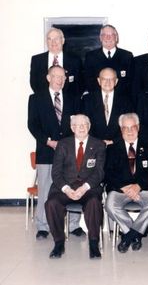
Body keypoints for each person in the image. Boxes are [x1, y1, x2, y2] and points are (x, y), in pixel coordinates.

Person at [28, 65, 83, 240]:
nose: (59, 80)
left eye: (62, 77)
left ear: (65, 80)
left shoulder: (74, 98)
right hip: (46, 151)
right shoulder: (36, 98)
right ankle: (43, 227)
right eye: (55, 76)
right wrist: (48, 141)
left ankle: (74, 225)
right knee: (45, 189)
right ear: (48, 77)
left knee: (74, 185)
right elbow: (32, 125)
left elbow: (78, 124)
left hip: (69, 153)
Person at [45, 114, 106, 259]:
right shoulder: (63, 144)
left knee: (94, 203)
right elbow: (56, 173)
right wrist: (67, 189)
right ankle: (59, 243)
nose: (81, 128)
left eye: (84, 125)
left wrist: (84, 187)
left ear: (89, 126)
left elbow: (99, 172)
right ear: (72, 128)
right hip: (66, 187)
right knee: (51, 204)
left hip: (88, 188)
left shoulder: (99, 145)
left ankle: (93, 244)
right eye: (78, 125)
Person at [105, 113, 148, 253]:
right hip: (120, 189)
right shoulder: (112, 148)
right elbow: (108, 173)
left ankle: (129, 236)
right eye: (125, 128)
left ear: (138, 127)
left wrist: (138, 186)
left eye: (133, 127)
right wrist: (124, 187)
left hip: (143, 188)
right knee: (110, 205)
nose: (129, 131)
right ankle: (135, 235)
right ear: (121, 129)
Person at [81, 67, 133, 146]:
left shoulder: (126, 100)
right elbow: (84, 124)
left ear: (116, 81)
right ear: (99, 80)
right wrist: (98, 142)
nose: (108, 82)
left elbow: (128, 125)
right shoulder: (87, 99)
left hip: (117, 145)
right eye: (104, 79)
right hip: (93, 145)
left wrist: (113, 141)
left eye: (111, 79)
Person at [30, 27, 83, 97]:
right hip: (44, 103)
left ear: (63, 40)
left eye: (56, 38)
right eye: (50, 39)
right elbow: (34, 83)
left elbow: (80, 84)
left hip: (69, 104)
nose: (53, 42)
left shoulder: (75, 60)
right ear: (46, 41)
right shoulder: (37, 60)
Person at [84, 25, 134, 94]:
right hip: (98, 99)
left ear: (116, 38)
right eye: (105, 35)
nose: (108, 37)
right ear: (100, 38)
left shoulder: (127, 56)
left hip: (121, 100)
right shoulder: (91, 56)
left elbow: (131, 81)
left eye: (111, 35)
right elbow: (88, 81)